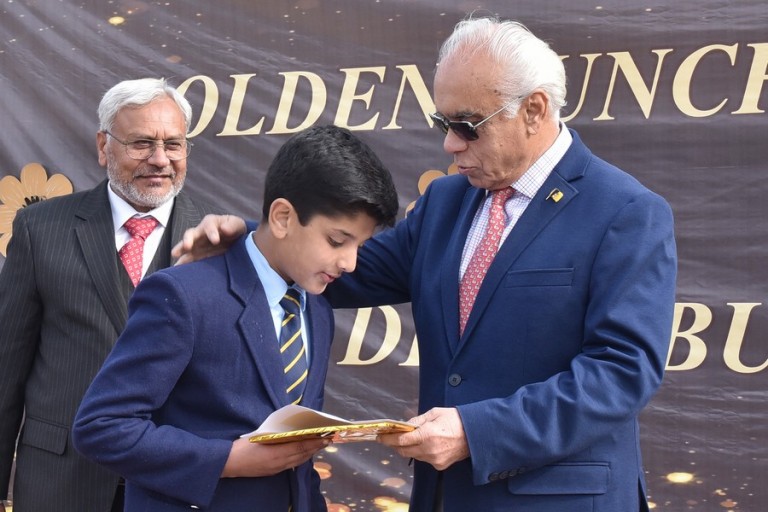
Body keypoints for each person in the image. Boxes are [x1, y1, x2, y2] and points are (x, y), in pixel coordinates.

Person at [173, 15, 677, 512]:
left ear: (534, 110)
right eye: (443, 123)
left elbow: (622, 373)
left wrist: (476, 432)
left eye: (467, 126)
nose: (450, 144)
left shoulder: (625, 211)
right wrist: (256, 241)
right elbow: (346, 269)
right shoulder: (446, 200)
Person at [71, 125, 399, 512]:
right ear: (282, 217)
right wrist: (225, 461)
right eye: (337, 241)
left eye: (361, 245)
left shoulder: (317, 309)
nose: (350, 263)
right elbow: (101, 426)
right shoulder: (184, 296)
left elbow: (296, 459)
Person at [0, 78, 226, 512]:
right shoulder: (40, 229)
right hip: (60, 482)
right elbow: (6, 368)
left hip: (173, 484)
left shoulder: (220, 241)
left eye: (173, 145)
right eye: (141, 143)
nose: (160, 159)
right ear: (104, 147)